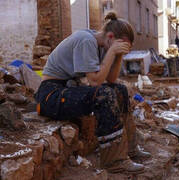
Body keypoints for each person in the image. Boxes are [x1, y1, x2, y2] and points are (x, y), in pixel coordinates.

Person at [34, 12, 151, 174]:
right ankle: (114, 161)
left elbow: (110, 79)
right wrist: (111, 53)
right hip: (50, 95)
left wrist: (117, 56)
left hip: (68, 89)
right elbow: (94, 81)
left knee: (120, 90)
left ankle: (131, 148)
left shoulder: (102, 44)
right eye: (121, 45)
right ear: (110, 36)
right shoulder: (86, 40)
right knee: (104, 95)